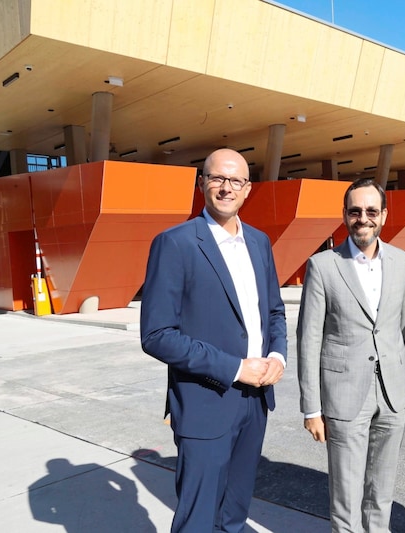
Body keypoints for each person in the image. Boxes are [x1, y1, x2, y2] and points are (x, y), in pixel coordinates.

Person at [141, 148, 287, 533]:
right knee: (198, 520)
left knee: (234, 516)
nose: (226, 188)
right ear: (202, 183)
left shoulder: (259, 242)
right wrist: (236, 367)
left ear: (248, 188)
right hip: (206, 403)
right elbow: (156, 335)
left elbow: (274, 311)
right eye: (217, 179)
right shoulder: (175, 243)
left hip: (256, 403)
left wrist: (277, 356)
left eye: (235, 180)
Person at [297, 178, 405, 532]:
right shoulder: (322, 265)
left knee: (382, 490)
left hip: (392, 395)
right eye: (355, 211)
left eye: (371, 211)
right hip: (345, 396)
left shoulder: (399, 261)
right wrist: (312, 409)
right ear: (345, 215)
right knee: (345, 496)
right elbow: (309, 338)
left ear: (384, 215)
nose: (363, 218)